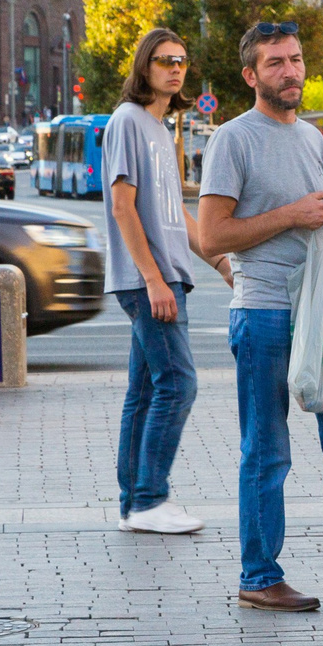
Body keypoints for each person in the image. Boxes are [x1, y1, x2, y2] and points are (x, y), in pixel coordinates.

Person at [198, 21, 323, 614]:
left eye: (296, 59)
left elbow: (310, 216)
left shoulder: (310, 137)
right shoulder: (232, 139)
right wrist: (291, 214)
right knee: (267, 449)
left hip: (320, 309)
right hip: (263, 311)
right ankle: (259, 576)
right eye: (276, 62)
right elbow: (212, 236)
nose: (291, 71)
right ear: (250, 75)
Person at [104, 28, 233, 535]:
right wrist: (154, 280)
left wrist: (221, 263)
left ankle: (135, 503)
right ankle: (149, 500)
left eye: (180, 60)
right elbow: (122, 206)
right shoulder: (127, 120)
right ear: (144, 66)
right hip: (149, 281)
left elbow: (174, 212)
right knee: (179, 384)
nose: (175, 68)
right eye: (164, 60)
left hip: (165, 277)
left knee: (144, 393)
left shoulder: (160, 128)